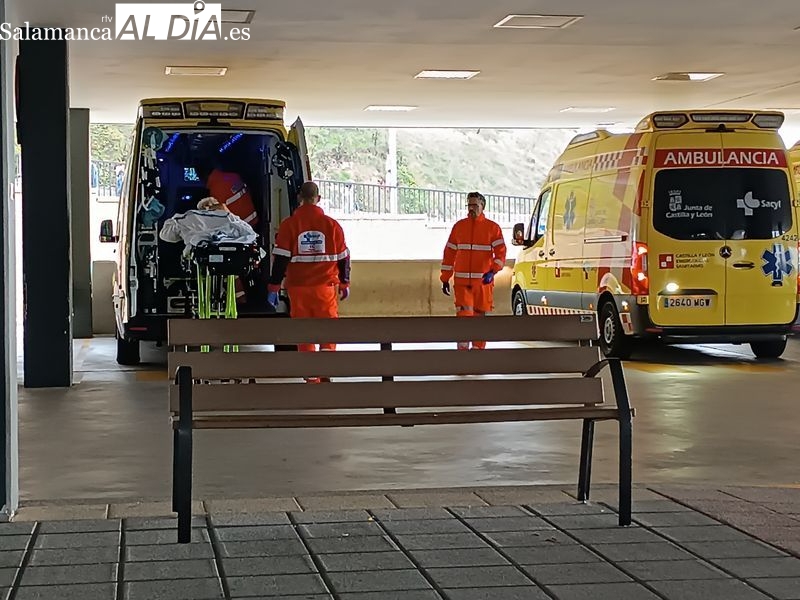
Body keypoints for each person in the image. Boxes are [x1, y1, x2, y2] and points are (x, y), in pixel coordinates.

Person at [268, 182, 350, 377]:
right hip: (325, 288)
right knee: (327, 328)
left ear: (299, 198)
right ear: (318, 198)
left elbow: (280, 259)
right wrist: (345, 283)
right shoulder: (332, 225)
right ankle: (326, 371)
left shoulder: (289, 225)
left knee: (303, 329)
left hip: (298, 288)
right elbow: (343, 257)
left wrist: (273, 286)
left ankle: (310, 375)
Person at [440, 191, 507, 350]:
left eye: (475, 205)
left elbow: (501, 252)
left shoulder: (492, 228)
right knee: (464, 317)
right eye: (469, 205)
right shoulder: (459, 227)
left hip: (483, 283)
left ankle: (478, 354)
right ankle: (463, 355)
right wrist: (445, 277)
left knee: (479, 318)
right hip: (462, 283)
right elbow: (449, 253)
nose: (471, 208)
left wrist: (493, 270)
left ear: (482, 207)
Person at [197, 160, 259, 227]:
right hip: (254, 221)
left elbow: (219, 218)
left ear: (203, 176)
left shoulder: (216, 190)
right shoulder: (234, 176)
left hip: (243, 228)